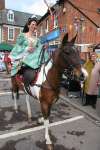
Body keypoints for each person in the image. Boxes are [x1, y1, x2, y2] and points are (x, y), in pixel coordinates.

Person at [9, 16, 49, 86]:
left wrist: (44, 46)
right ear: (28, 26)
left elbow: (39, 48)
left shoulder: (37, 39)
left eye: (35, 25)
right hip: (24, 58)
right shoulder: (22, 36)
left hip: (34, 59)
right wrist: (26, 48)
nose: (34, 26)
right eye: (32, 24)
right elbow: (17, 47)